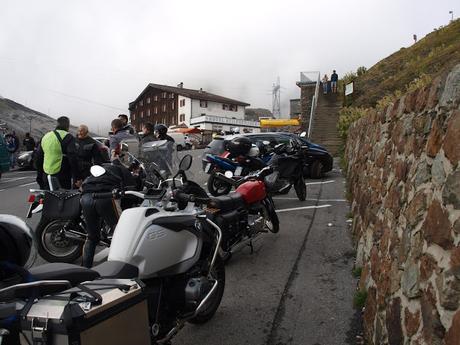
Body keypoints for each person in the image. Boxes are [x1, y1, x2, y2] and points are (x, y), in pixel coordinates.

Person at [80, 163, 137, 268]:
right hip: (106, 197)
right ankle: (120, 266)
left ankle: (85, 268)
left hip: (86, 198)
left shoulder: (100, 169)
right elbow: (131, 191)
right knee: (120, 232)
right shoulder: (123, 170)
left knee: (92, 237)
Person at [35, 116, 80, 190]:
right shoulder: (68, 137)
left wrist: (39, 176)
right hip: (62, 175)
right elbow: (73, 158)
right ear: (67, 126)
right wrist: (77, 177)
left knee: (48, 198)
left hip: (46, 174)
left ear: (57, 124)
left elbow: (38, 158)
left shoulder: (46, 136)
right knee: (63, 199)